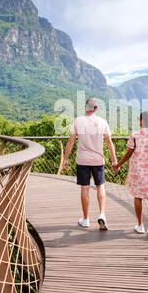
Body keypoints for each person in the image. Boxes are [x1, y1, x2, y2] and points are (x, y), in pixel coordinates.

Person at [62, 97, 117, 230]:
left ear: (85, 108)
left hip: (82, 160)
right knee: (100, 186)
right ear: (96, 108)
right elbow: (109, 143)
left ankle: (86, 219)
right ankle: (102, 214)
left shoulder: (78, 121)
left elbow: (71, 142)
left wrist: (65, 158)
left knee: (85, 188)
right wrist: (114, 160)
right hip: (98, 160)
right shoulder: (103, 122)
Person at [113, 111, 148, 238]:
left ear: (142, 121)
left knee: (138, 197)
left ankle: (140, 225)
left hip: (137, 171)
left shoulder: (135, 135)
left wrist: (118, 165)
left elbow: (128, 153)